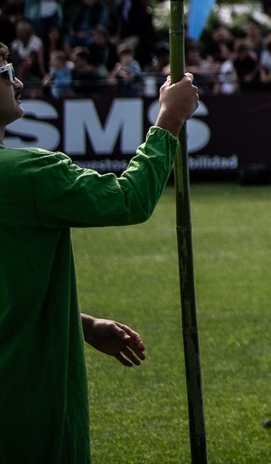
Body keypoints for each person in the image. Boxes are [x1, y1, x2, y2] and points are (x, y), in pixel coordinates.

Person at [0, 58, 200, 463]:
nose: (18, 81)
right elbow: (130, 199)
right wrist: (169, 118)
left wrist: (78, 324)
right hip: (28, 404)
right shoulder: (28, 175)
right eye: (5, 73)